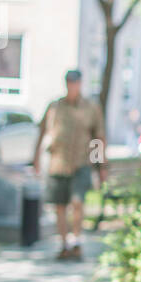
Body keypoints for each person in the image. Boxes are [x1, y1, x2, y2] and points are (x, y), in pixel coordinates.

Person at [32, 69, 106, 261]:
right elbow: (42, 132)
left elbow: (97, 138)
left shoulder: (90, 108)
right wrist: (37, 158)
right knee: (60, 206)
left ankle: (77, 241)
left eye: (75, 82)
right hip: (58, 162)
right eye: (69, 82)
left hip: (81, 162)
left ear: (80, 84)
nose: (72, 86)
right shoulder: (55, 106)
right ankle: (64, 244)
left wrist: (100, 165)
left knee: (77, 202)